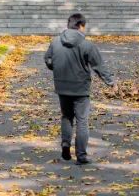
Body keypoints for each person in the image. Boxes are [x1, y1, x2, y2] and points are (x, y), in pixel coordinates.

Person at [44, 12, 114, 165]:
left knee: (66, 117)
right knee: (82, 121)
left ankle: (65, 148)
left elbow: (48, 59)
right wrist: (111, 83)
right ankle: (81, 156)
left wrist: (55, 68)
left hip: (62, 86)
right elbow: (99, 66)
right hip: (81, 89)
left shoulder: (56, 42)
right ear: (81, 26)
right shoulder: (87, 45)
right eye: (84, 27)